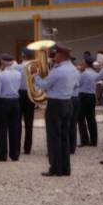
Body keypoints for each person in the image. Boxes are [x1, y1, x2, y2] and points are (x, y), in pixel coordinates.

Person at [34, 44, 78, 175]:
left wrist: (35, 76)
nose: (54, 57)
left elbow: (44, 85)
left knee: (54, 137)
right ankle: (65, 168)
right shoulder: (73, 69)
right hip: (68, 102)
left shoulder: (58, 70)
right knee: (64, 137)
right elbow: (77, 85)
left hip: (56, 104)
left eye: (56, 54)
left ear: (62, 55)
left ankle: (55, 168)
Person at [0, 54, 22, 162]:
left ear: (3, 62)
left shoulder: (0, 75)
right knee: (14, 129)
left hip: (3, 101)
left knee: (1, 129)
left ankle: (2, 155)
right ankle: (15, 155)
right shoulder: (18, 74)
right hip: (15, 101)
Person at [75, 55, 99, 148]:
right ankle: (94, 140)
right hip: (92, 96)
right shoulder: (95, 73)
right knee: (91, 119)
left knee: (81, 118)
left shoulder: (84, 73)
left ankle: (84, 140)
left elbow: (78, 83)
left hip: (83, 96)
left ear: (86, 63)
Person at [17, 48, 37, 155]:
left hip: (20, 94)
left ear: (23, 55)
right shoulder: (34, 67)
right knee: (29, 123)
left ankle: (17, 146)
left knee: (17, 122)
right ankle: (27, 148)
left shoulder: (18, 67)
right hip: (30, 95)